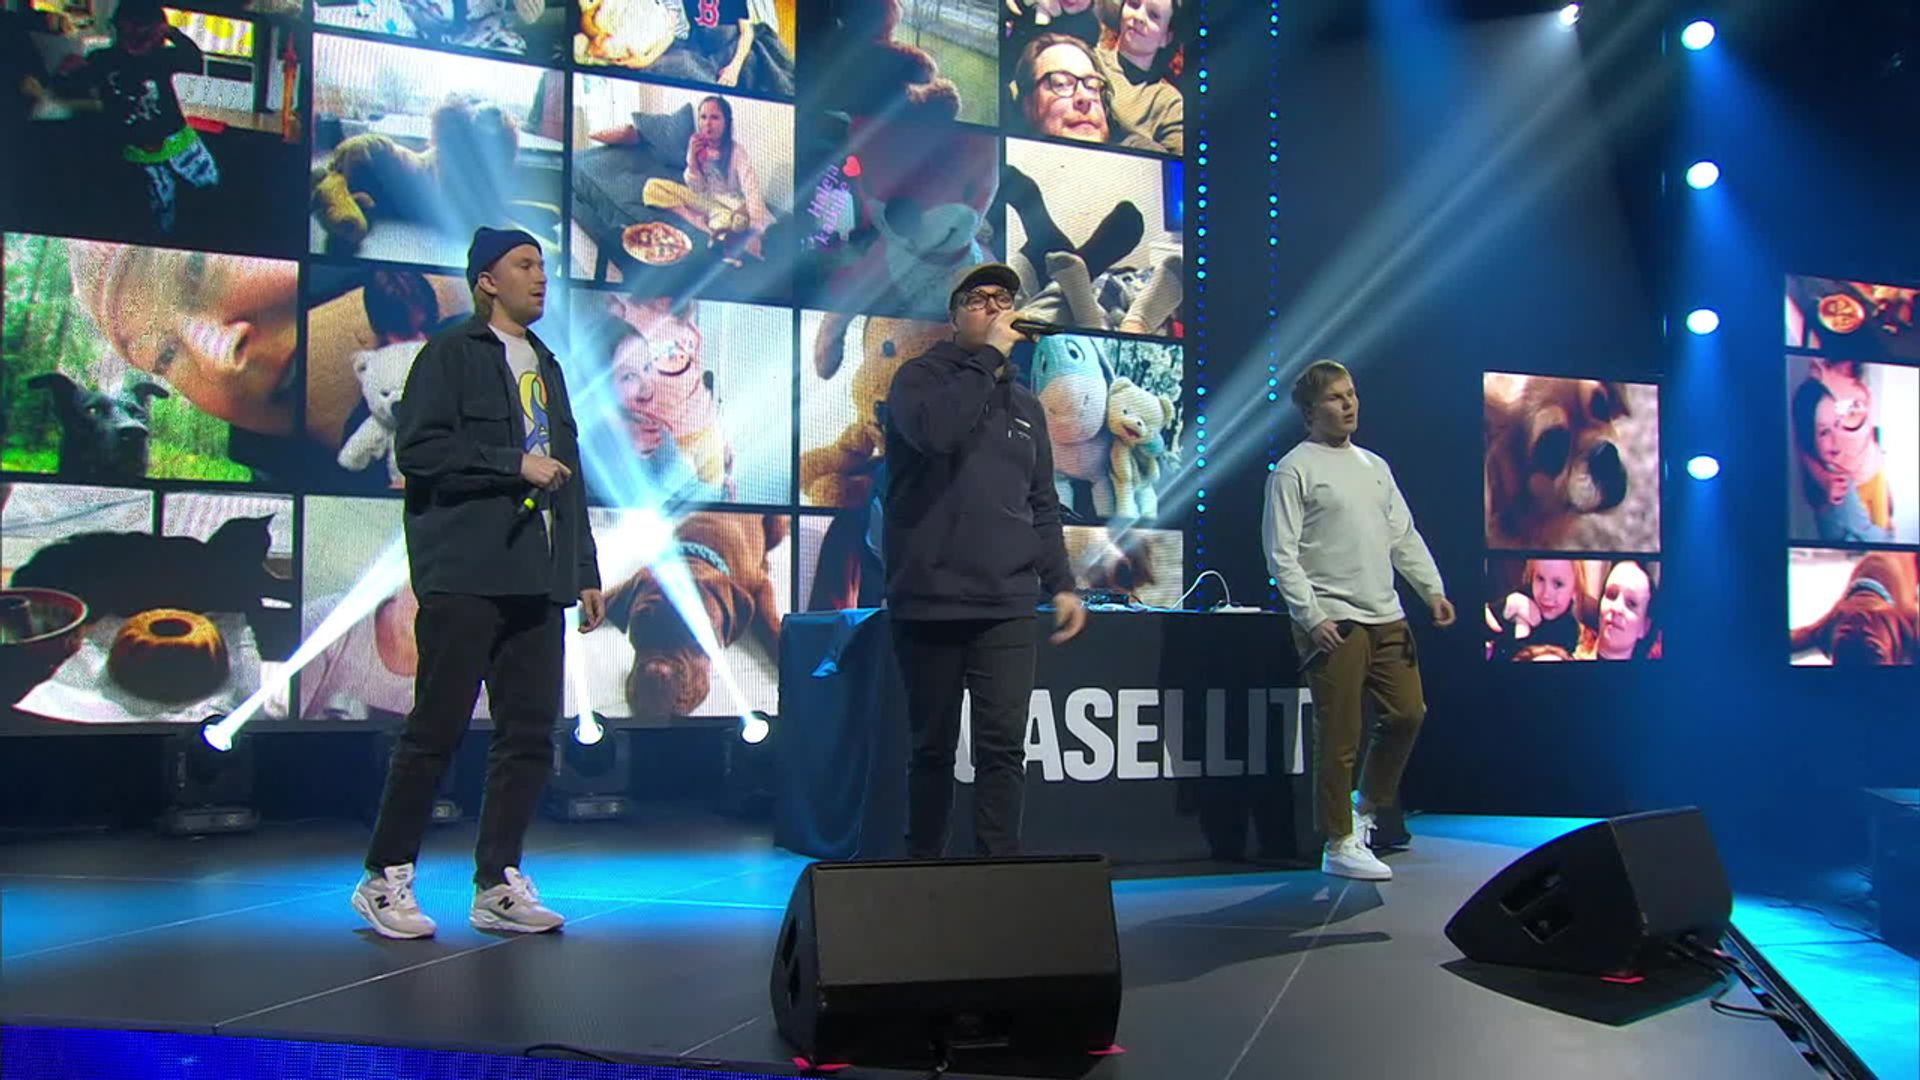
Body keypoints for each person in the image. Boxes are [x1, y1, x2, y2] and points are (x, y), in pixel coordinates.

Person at [352, 227, 606, 939]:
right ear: (487, 281)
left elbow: (569, 473)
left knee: (529, 734)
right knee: (436, 728)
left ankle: (497, 882)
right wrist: (511, 463)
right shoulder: (450, 353)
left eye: (543, 266)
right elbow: (419, 448)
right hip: (467, 571)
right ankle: (384, 877)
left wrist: (583, 569)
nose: (540, 277)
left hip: (536, 577)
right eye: (524, 265)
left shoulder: (547, 364)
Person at [882, 262, 1088, 858]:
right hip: (931, 598)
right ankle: (923, 872)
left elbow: (1041, 502)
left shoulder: (1025, 405)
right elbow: (938, 434)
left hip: (1007, 602)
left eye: (1005, 297)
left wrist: (1063, 585)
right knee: (932, 749)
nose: (996, 307)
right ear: (954, 316)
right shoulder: (918, 380)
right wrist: (989, 359)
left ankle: (998, 874)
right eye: (979, 299)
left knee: (1003, 749)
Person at [1263, 359, 1455, 882]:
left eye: (1351, 394)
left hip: (1386, 614)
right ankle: (1339, 841)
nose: (1348, 404)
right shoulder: (1293, 470)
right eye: (1335, 397)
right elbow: (1281, 555)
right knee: (1340, 733)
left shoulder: (1375, 466)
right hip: (1334, 621)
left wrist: (1432, 590)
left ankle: (1364, 806)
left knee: (1408, 713)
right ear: (1310, 410)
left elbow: (1402, 536)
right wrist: (1311, 616)